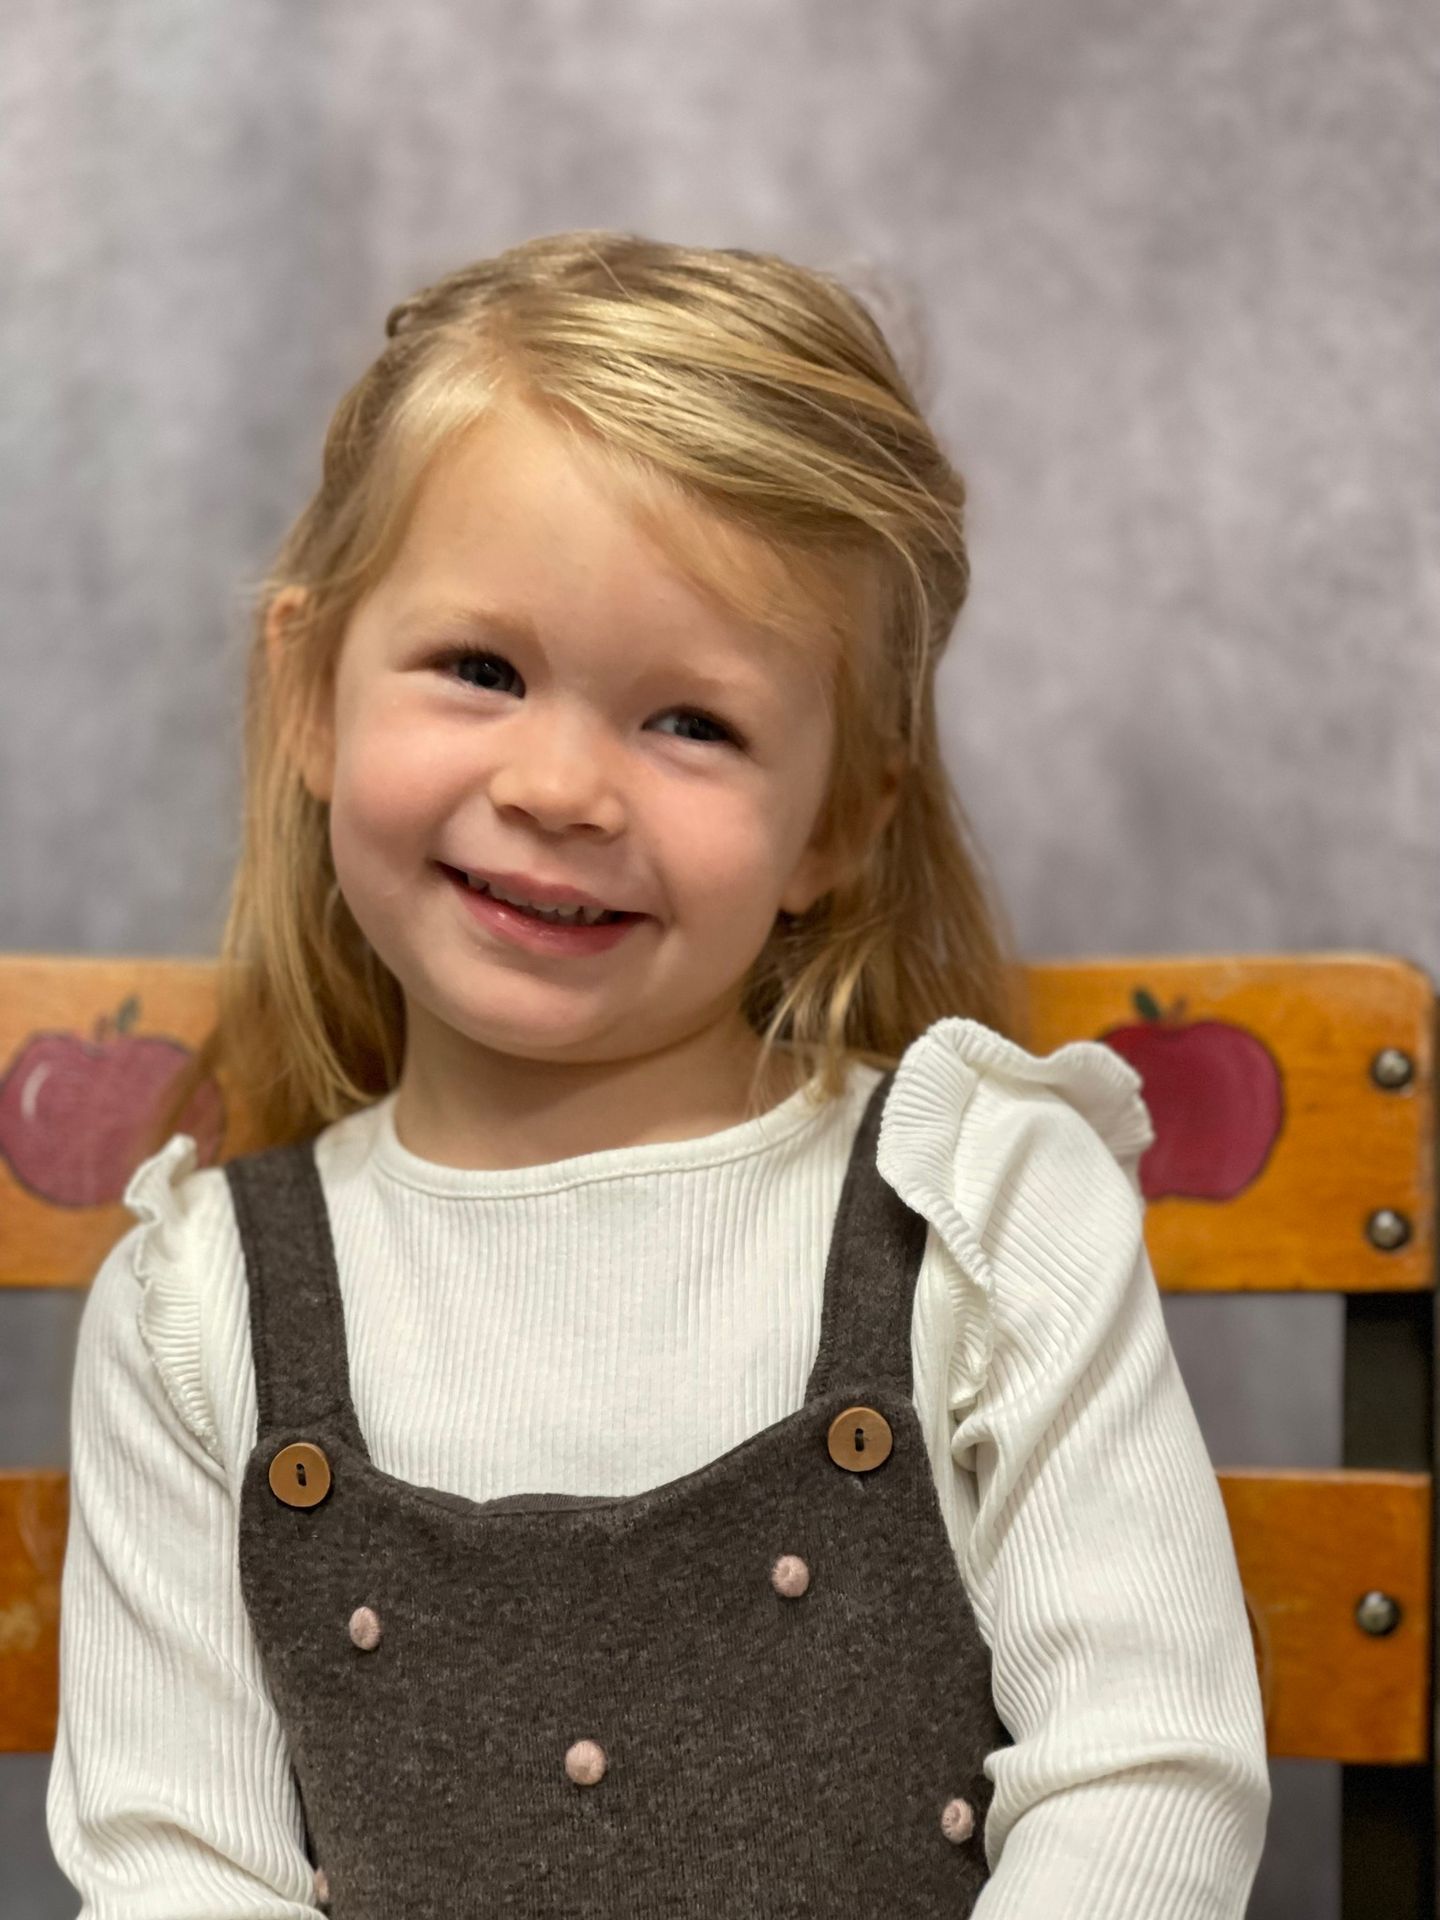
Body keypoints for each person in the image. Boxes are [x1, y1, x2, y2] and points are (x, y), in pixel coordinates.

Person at [46, 230, 1270, 1917]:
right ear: (312, 693)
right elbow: (180, 1870)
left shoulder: (980, 1210)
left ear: (835, 820)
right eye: (481, 669)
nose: (561, 786)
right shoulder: (198, 1310)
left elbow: (1147, 1774)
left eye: (690, 721)